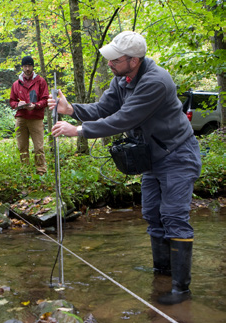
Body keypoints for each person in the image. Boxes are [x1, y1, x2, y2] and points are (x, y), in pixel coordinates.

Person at [47, 31, 202, 305]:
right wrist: (71, 110)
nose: (109, 64)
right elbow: (105, 107)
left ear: (134, 60)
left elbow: (123, 118)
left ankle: (181, 290)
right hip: (152, 158)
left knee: (174, 217)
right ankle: (161, 273)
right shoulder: (121, 78)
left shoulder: (156, 81)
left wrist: (79, 131)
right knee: (153, 214)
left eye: (115, 60)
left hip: (178, 155)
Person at [10, 56, 49, 175]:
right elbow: (11, 102)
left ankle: (41, 171)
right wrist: (18, 104)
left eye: (29, 66)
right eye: (25, 66)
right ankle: (25, 171)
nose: (27, 69)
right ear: (22, 67)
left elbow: (45, 99)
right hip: (21, 118)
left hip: (36, 118)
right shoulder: (16, 84)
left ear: (33, 67)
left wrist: (36, 106)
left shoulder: (40, 81)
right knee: (22, 147)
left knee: (38, 147)